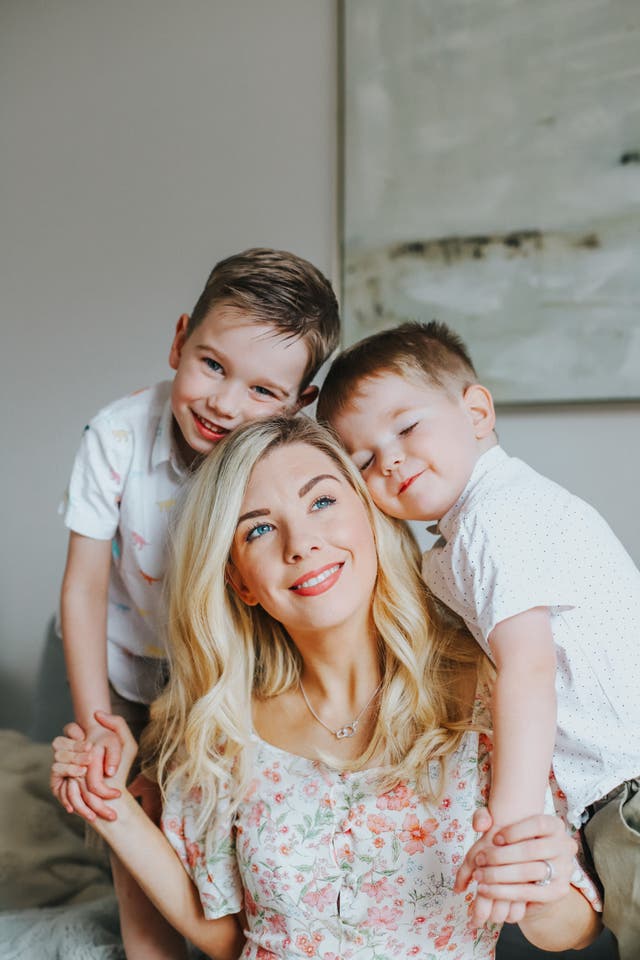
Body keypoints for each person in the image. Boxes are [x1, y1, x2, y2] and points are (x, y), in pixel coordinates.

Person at [52, 416, 601, 958]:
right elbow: (226, 937)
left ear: (370, 514)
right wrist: (114, 808)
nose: (301, 543)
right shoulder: (222, 729)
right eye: (259, 529)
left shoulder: (495, 695)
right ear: (240, 580)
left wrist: (538, 887)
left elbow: (573, 930)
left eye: (322, 502)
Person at [316, 319, 640, 954]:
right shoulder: (478, 526)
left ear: (477, 411)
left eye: (406, 428)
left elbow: (528, 670)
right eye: (363, 461)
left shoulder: (495, 518)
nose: (392, 460)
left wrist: (514, 825)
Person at [56, 249, 340, 959]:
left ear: (299, 403)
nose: (225, 403)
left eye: (263, 391)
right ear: (180, 339)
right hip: (130, 672)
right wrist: (96, 725)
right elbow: (84, 588)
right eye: (212, 365)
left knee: (218, 819)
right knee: (129, 808)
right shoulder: (116, 434)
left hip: (227, 678)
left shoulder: (277, 463)